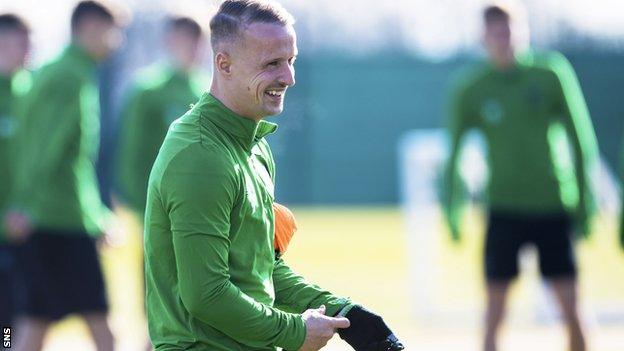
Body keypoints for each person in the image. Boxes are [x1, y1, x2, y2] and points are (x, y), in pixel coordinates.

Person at [143, 1, 403, 350]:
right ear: (224, 64)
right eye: (272, 64)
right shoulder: (200, 155)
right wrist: (295, 331)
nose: (289, 77)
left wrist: (347, 313)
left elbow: (263, 271)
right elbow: (206, 295)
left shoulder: (254, 145)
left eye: (291, 61)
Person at [442, 3, 599, 351]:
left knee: (572, 308)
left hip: (552, 204)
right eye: (497, 32)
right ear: (484, 37)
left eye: (511, 30)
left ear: (524, 31)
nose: (505, 39)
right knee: (494, 312)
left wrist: (586, 202)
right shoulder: (471, 88)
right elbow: (452, 152)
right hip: (503, 208)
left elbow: (581, 139)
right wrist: (451, 207)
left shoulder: (552, 73)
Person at [5, 2, 122, 350]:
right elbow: (46, 150)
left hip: (49, 219)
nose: (116, 41)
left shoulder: (64, 71)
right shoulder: (69, 76)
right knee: (102, 325)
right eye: (111, 31)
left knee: (33, 321)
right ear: (89, 27)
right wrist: (25, 205)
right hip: (62, 222)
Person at [115, 15, 208, 217]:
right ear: (169, 41)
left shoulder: (209, 93)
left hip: (199, 203)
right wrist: (142, 202)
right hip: (157, 202)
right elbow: (132, 151)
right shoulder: (146, 90)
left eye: (197, 39)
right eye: (184, 38)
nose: (192, 46)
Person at [0, 13, 31, 329]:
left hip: (24, 230)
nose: (28, 50)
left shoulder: (31, 92)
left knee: (13, 325)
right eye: (20, 42)